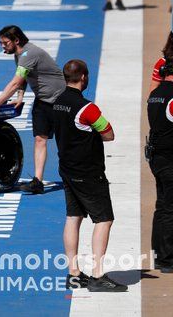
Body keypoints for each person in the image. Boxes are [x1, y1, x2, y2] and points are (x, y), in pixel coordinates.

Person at [52, 59, 127, 292]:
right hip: (89, 172)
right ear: (83, 77)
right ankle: (97, 275)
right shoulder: (88, 108)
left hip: (66, 169)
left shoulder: (56, 102)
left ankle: (73, 273)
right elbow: (109, 134)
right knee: (104, 219)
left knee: (73, 217)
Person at [0, 26, 66, 194]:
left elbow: (15, 82)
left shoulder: (29, 54)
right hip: (43, 100)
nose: (2, 46)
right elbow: (23, 78)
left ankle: (78, 175)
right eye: (0, 43)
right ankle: (38, 181)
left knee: (65, 141)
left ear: (16, 41)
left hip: (60, 99)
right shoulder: (19, 55)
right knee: (39, 139)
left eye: (5, 43)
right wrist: (21, 96)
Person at [147, 41, 173, 274]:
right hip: (169, 157)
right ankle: (166, 258)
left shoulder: (155, 95)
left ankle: (161, 255)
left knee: (163, 205)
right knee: (169, 207)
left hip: (157, 156)